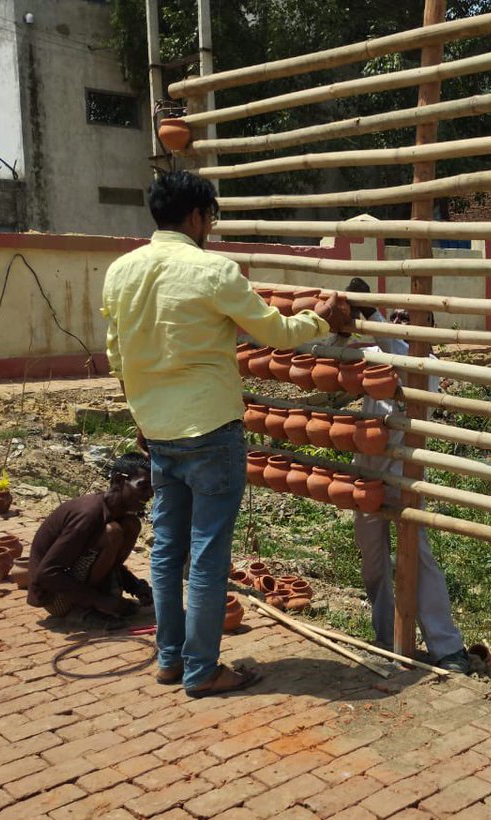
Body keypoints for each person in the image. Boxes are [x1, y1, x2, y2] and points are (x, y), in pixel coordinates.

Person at [102, 170, 352, 698]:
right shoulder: (214, 271)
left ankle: (171, 659)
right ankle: (201, 670)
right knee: (208, 554)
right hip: (211, 432)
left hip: (159, 433)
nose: (210, 227)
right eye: (210, 217)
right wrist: (322, 319)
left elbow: (116, 355)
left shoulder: (119, 273)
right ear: (196, 216)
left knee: (167, 550)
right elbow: (277, 333)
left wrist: (140, 417)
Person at [341, 278, 470, 673]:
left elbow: (400, 350)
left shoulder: (427, 367)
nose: (400, 323)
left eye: (409, 318)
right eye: (397, 316)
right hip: (367, 472)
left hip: (403, 473)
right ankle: (387, 637)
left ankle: (446, 646)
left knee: (418, 558)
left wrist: (374, 314)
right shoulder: (379, 350)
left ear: (427, 327)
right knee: (373, 559)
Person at [27, 453, 155, 620]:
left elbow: (107, 562)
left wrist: (135, 586)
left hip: (73, 584)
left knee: (131, 525)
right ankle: (85, 610)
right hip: (53, 596)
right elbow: (47, 574)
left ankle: (104, 595)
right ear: (118, 480)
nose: (150, 494)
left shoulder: (117, 513)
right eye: (143, 486)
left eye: (152, 487)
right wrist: (99, 601)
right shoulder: (89, 513)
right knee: (112, 532)